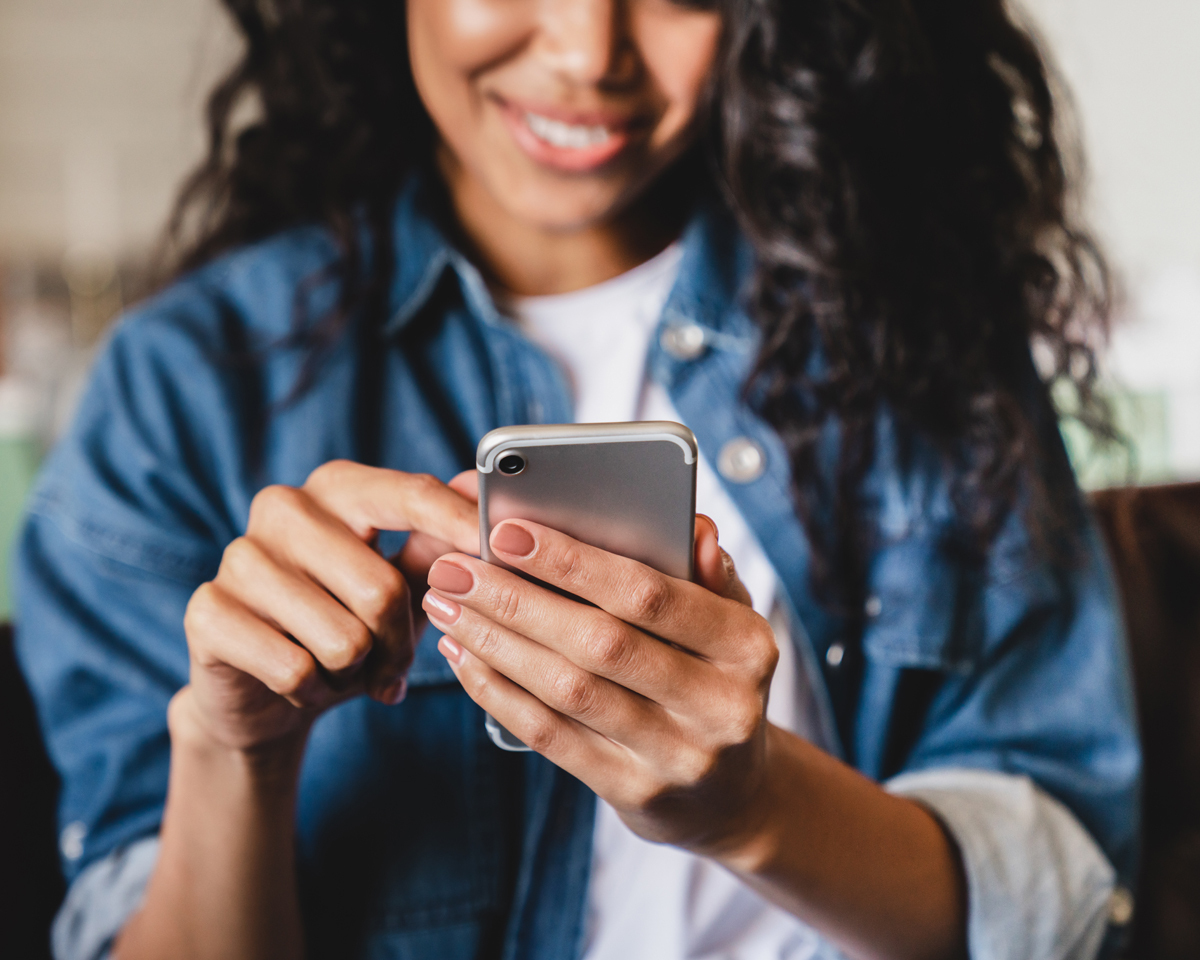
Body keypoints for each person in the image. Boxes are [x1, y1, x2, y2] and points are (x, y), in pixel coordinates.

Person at [15, 1, 1140, 959]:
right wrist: (234, 752)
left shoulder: (918, 335)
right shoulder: (187, 388)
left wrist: (751, 809)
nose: (588, 50)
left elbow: (1062, 894)